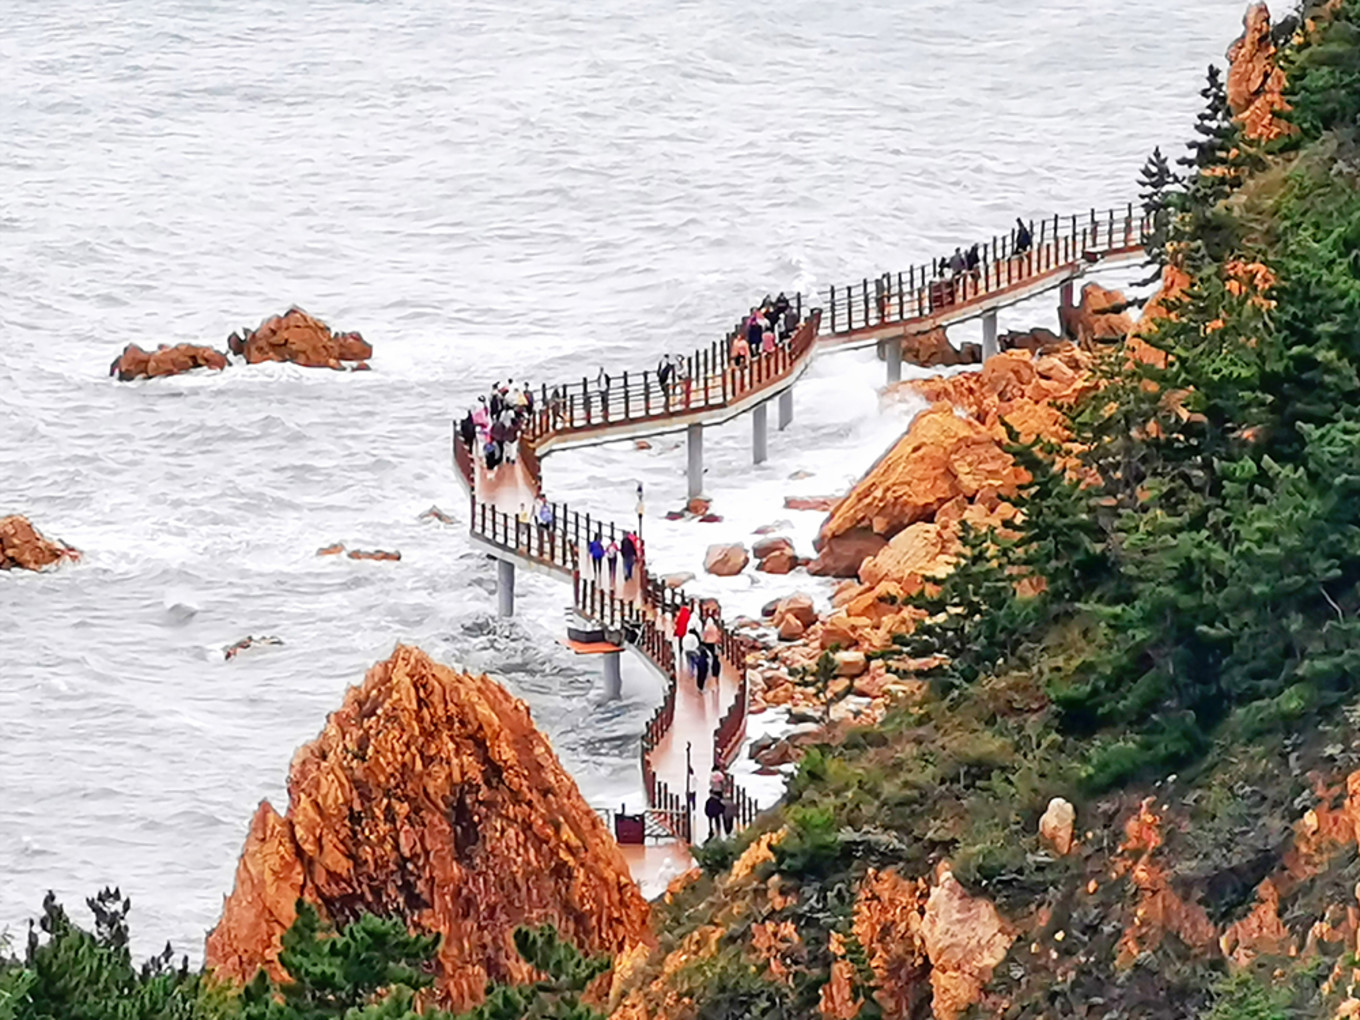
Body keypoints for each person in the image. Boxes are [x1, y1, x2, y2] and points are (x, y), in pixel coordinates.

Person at [701, 614, 723, 681]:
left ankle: (708, 668)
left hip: (707, 643)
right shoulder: (714, 628)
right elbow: (717, 636)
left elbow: (704, 637)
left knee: (707, 656)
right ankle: (714, 670)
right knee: (714, 657)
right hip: (713, 643)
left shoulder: (706, 628)